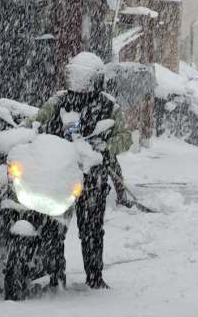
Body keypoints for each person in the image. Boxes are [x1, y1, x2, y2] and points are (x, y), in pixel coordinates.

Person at [29, 52, 132, 289]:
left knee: (92, 230)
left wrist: (106, 147)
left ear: (97, 82)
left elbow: (125, 137)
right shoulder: (57, 102)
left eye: (84, 81)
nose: (79, 86)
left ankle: (94, 277)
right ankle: (56, 276)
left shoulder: (109, 106)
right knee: (54, 227)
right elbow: (34, 122)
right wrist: (24, 136)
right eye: (75, 79)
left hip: (93, 177)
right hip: (59, 173)